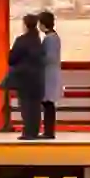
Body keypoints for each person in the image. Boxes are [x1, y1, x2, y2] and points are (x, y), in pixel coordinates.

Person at [7, 13, 42, 141]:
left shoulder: (22, 40)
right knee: (35, 105)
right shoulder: (37, 40)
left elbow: (11, 59)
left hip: (24, 78)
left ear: (25, 25)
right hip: (37, 77)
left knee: (26, 105)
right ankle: (34, 131)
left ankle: (27, 132)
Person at [37, 10, 60, 139]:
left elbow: (49, 57)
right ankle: (48, 130)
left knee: (48, 103)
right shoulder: (53, 37)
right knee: (48, 103)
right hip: (51, 73)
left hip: (49, 74)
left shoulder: (49, 39)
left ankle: (49, 131)